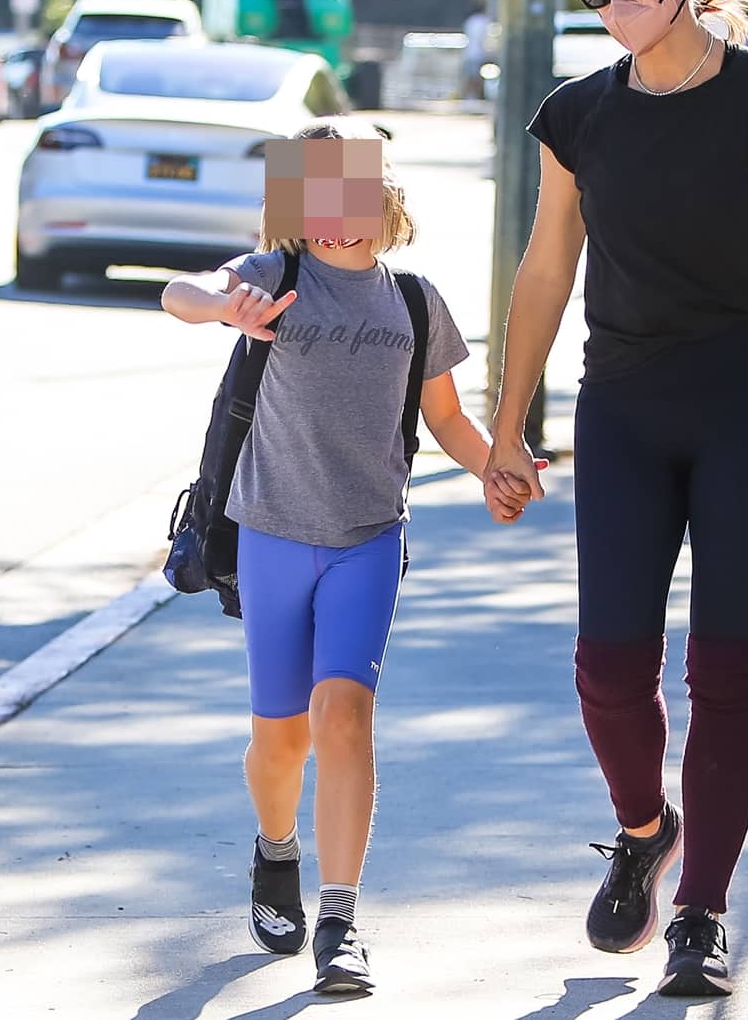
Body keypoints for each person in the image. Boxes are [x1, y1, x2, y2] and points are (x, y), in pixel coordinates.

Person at [483, 0, 748, 999]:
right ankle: (644, 827)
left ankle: (700, 911)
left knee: (725, 668)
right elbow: (546, 271)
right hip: (623, 407)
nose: (613, 1)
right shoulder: (579, 116)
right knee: (607, 665)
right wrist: (508, 425)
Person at [161, 117, 529, 994]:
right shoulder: (273, 276)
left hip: (369, 536)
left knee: (346, 714)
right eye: (313, 202)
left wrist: (496, 467)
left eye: (350, 198)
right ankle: (275, 848)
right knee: (280, 739)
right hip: (273, 535)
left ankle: (340, 917)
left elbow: (443, 416)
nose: (335, 221)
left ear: (383, 199)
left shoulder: (414, 301)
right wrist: (224, 307)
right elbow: (180, 290)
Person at [461, 3, 490, 100]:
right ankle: (475, 96)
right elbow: (484, 39)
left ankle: (468, 96)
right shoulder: (484, 21)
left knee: (469, 76)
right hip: (479, 54)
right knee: (477, 77)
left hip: (468, 53)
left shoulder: (470, 21)